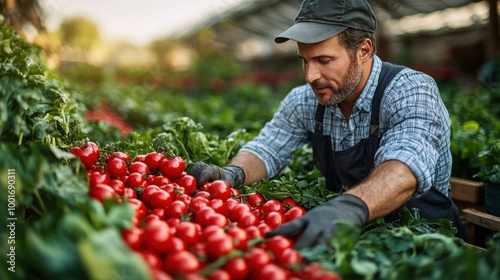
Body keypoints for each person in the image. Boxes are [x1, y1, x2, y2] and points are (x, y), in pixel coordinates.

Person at [189, 0, 467, 249]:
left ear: (364, 50)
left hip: (428, 245)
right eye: (305, 61)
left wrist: (348, 206)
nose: (311, 76)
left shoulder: (410, 90)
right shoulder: (305, 101)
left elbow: (406, 166)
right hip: (358, 240)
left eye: (324, 60)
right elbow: (268, 148)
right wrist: (232, 174)